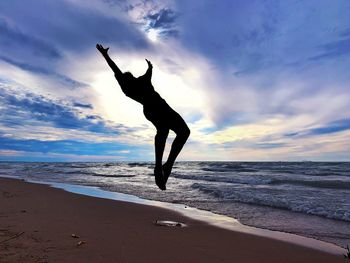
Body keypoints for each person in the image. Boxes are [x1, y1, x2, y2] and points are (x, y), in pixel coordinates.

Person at [96, 44, 190, 190]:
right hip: (158, 107)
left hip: (154, 109)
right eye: (127, 76)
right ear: (129, 78)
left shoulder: (132, 85)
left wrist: (149, 68)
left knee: (175, 131)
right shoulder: (134, 84)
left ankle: (164, 165)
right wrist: (106, 56)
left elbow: (118, 70)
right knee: (169, 131)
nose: (128, 76)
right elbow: (117, 70)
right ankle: (163, 165)